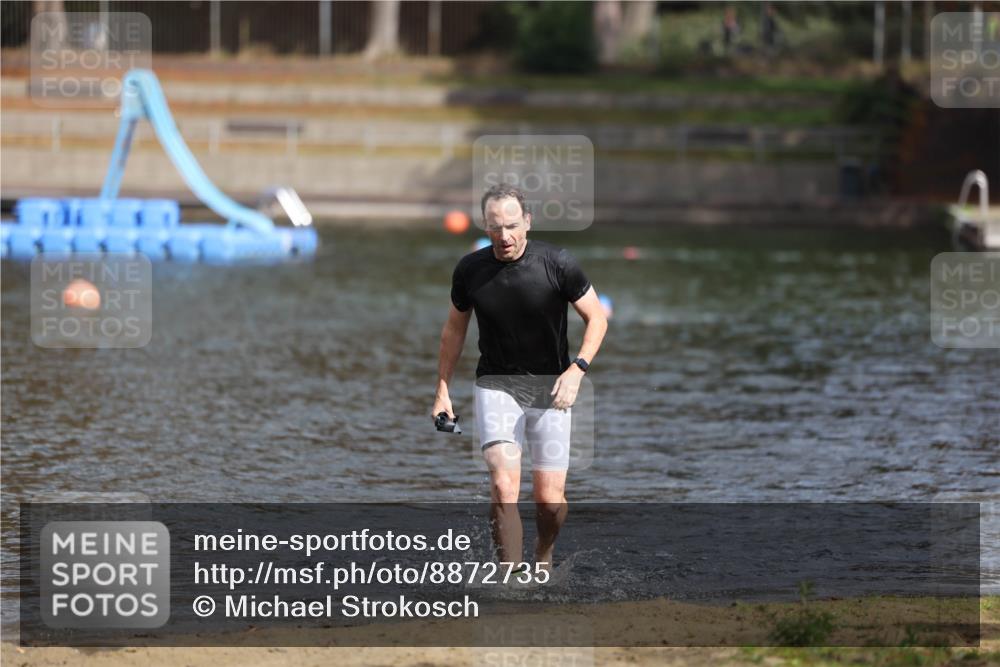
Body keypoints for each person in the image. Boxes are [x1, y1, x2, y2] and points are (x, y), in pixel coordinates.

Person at [431, 183, 608, 575]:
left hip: (551, 388)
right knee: (503, 487)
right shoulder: (470, 270)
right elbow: (454, 330)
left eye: (512, 225)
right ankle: (511, 579)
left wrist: (577, 369)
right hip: (496, 385)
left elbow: (597, 318)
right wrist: (443, 389)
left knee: (549, 502)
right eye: (495, 227)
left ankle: (543, 555)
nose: (504, 235)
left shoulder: (558, 263)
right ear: (485, 225)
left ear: (527, 221)